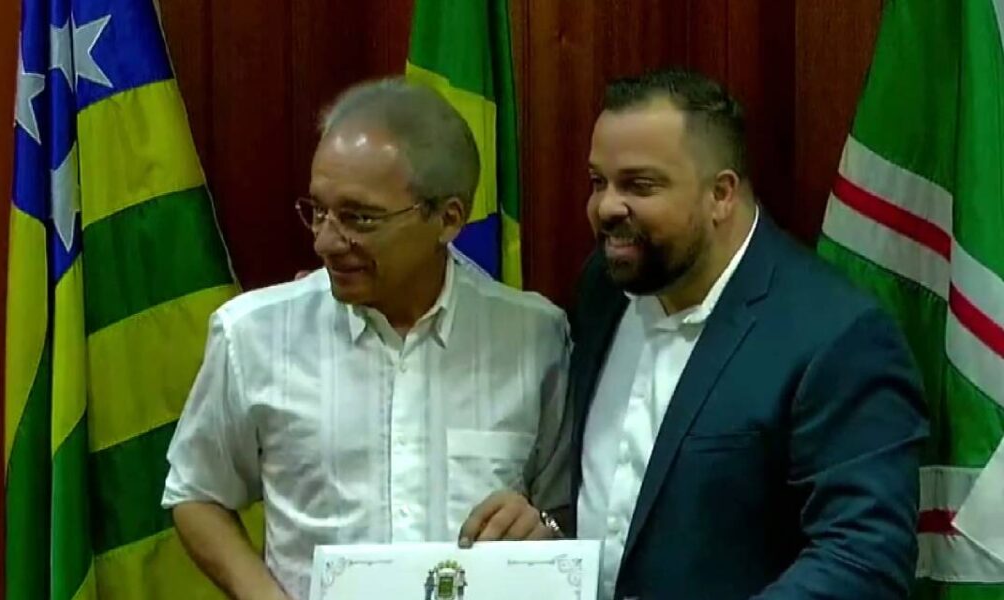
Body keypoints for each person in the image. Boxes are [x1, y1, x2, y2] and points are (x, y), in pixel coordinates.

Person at [161, 78, 570, 600]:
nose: (326, 240)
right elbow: (196, 492)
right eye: (318, 210)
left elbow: (563, 511)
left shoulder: (535, 337)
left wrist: (540, 527)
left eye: (359, 218)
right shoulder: (252, 335)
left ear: (448, 219)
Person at [568, 68, 927, 599]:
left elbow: (863, 557)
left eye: (639, 185)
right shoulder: (604, 286)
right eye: (599, 181)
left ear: (722, 194)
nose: (606, 208)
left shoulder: (837, 336)